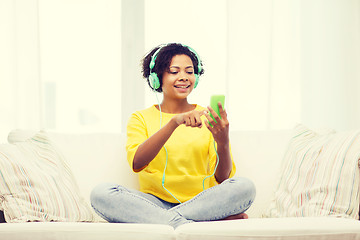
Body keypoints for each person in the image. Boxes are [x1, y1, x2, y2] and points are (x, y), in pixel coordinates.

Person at [90, 43, 256, 229]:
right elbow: (137, 163)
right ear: (156, 78)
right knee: (101, 193)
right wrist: (173, 123)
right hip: (153, 203)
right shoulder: (140, 118)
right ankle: (194, 223)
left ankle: (168, 221)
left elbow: (222, 179)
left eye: (189, 71)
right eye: (174, 71)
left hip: (202, 202)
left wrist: (223, 141)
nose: (183, 77)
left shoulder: (207, 116)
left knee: (245, 187)